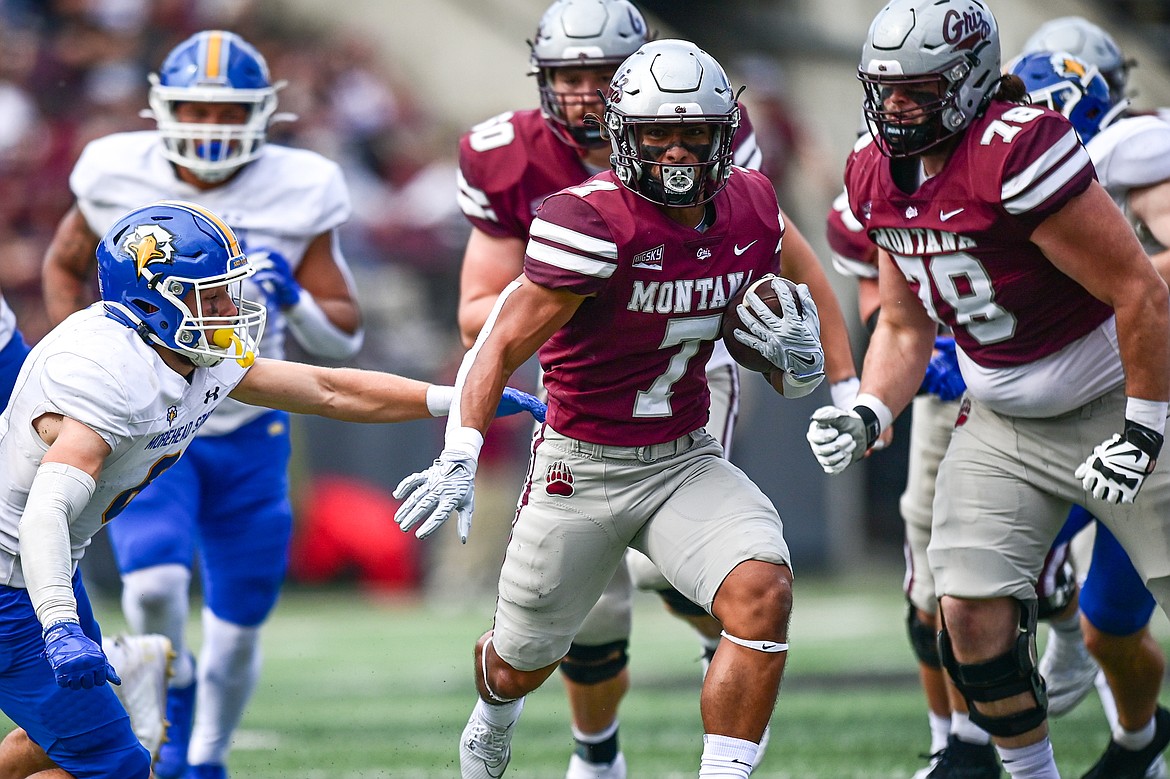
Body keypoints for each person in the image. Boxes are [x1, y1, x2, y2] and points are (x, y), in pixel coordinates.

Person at [396, 39, 826, 779]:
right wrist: (461, 451)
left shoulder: (752, 205)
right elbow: (496, 341)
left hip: (685, 455)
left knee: (762, 592)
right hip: (581, 466)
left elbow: (764, 343)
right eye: (657, 131)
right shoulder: (590, 220)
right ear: (623, 135)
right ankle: (494, 712)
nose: (677, 150)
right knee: (520, 662)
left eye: (696, 133)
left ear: (727, 137)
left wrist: (799, 355)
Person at [0, 200, 544, 779]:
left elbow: (326, 388)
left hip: (36, 570)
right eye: (206, 296)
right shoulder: (107, 373)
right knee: (117, 767)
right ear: (150, 297)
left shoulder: (180, 347)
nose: (226, 309)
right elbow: (45, 514)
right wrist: (58, 625)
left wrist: (457, 398)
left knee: (59, 741)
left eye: (223, 292)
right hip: (15, 580)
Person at [806, 2, 1170, 779]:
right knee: (967, 613)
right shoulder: (872, 169)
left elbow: (1140, 290)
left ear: (970, 84)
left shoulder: (1017, 149)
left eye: (919, 89)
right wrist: (872, 407)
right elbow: (904, 327)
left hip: (1112, 394)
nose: (895, 106)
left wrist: (1143, 426)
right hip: (1002, 413)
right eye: (885, 88)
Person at [40, 30, 358, 779]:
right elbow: (64, 260)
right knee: (151, 584)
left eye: (227, 112)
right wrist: (72, 358)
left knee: (239, 627)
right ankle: (173, 722)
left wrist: (299, 302)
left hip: (249, 421)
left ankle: (208, 755)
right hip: (152, 417)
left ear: (262, 114)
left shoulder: (302, 182)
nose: (210, 126)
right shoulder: (115, 168)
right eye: (194, 108)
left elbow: (341, 341)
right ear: (161, 107)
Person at [1010, 46, 1170, 779]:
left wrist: (1112, 279)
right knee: (997, 574)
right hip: (1087, 415)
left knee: (1115, 618)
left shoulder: (1130, 152)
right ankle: (1127, 737)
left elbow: (1149, 275)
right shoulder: (1009, 176)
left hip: (1151, 414)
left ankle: (1130, 730)